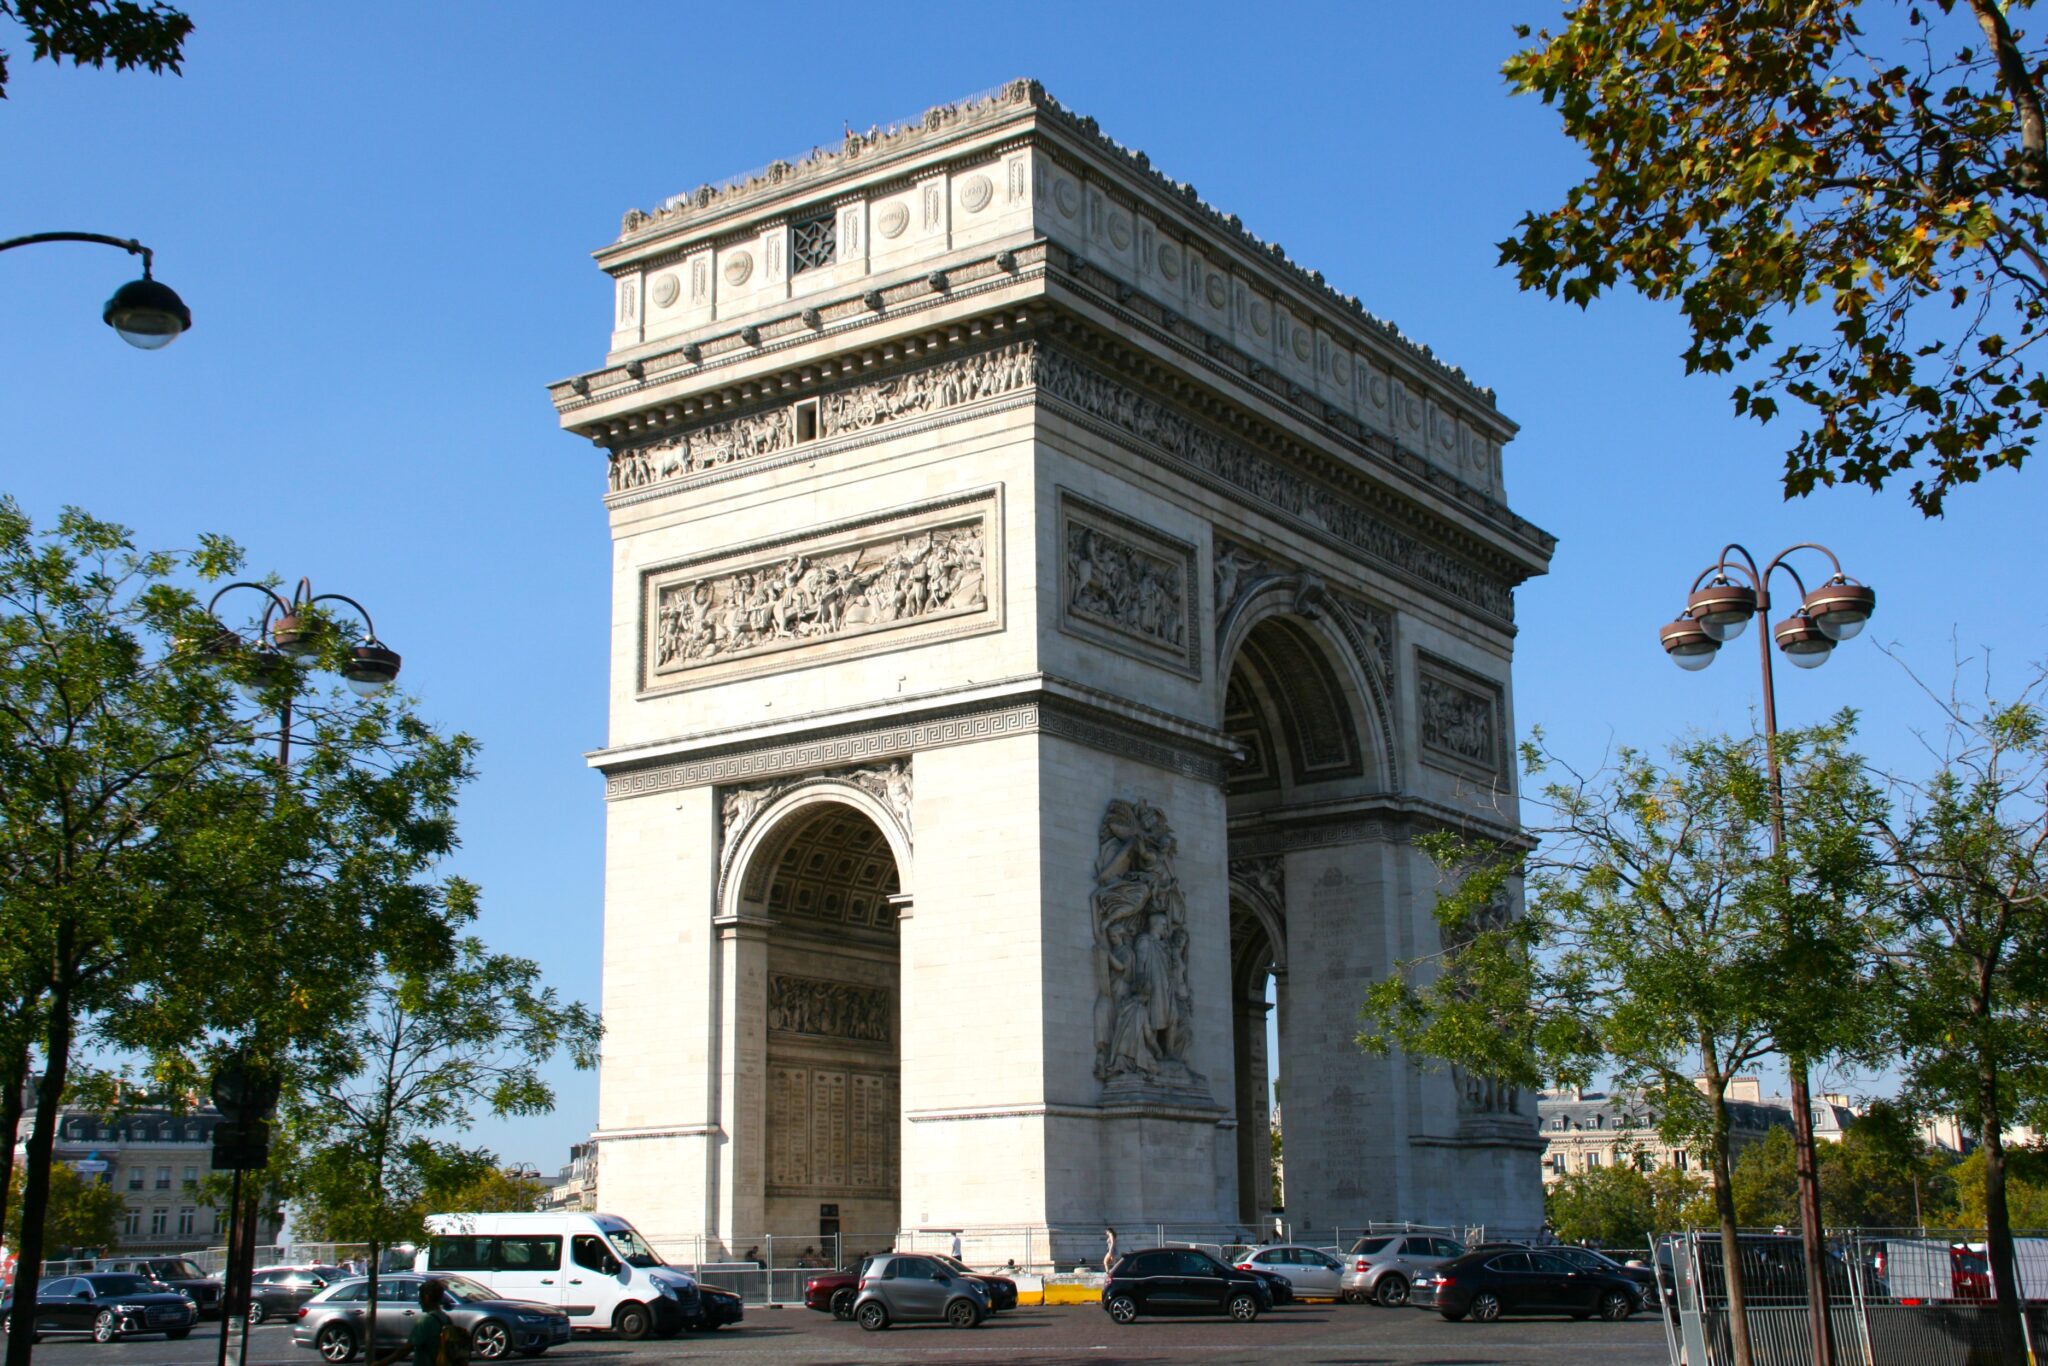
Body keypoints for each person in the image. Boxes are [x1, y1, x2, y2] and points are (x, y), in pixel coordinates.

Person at [376, 1279, 450, 1366]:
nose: (419, 1302)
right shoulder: (446, 1319)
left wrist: (380, 1363)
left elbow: (406, 1350)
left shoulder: (426, 1321)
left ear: (426, 1298)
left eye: (420, 1298)